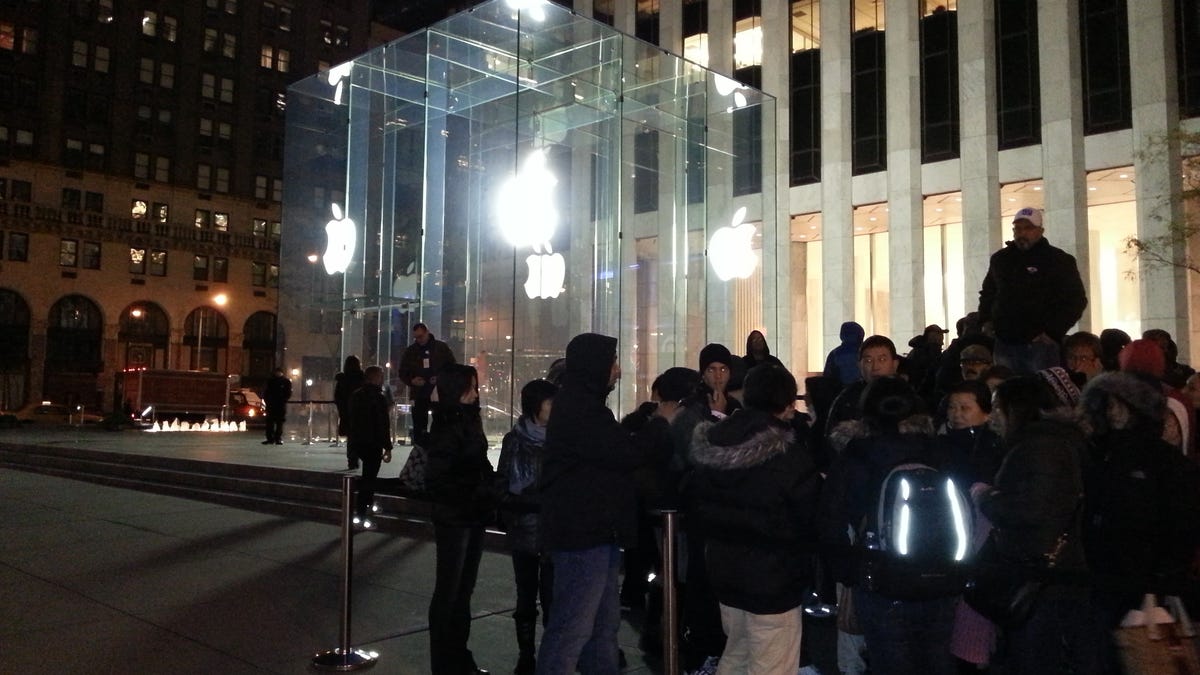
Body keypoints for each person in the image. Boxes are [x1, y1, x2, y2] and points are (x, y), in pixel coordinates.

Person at [686, 364, 821, 675]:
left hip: (724, 571)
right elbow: (807, 517)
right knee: (772, 662)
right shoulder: (787, 454)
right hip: (774, 578)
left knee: (737, 653)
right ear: (786, 402)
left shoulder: (713, 441)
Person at [820, 376, 954, 675]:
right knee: (936, 657)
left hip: (880, 575)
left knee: (890, 659)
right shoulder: (936, 449)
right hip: (941, 573)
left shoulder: (858, 454)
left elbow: (832, 517)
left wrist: (847, 574)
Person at [971, 376, 1102, 675]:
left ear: (1015, 409)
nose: (993, 418)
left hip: (1040, 572)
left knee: (1035, 654)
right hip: (1055, 568)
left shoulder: (1038, 446)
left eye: (997, 408)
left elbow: (1030, 509)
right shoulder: (1054, 440)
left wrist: (986, 498)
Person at [1079, 371, 1200, 673]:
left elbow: (1181, 523)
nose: (1108, 414)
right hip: (1110, 583)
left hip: (1141, 586)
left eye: (1113, 406)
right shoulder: (1103, 454)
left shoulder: (1153, 460)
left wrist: (1160, 576)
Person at [536, 333, 643, 675]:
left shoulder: (581, 404)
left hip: (594, 532)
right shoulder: (582, 409)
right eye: (612, 362)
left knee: (599, 626)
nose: (618, 370)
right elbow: (622, 453)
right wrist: (658, 426)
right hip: (584, 534)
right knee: (575, 627)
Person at [425, 363, 494, 675]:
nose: (475, 393)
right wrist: (476, 486)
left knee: (464, 590)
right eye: (471, 387)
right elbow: (439, 478)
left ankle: (459, 656)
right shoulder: (446, 425)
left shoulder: (469, 420)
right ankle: (444, 661)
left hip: (472, 513)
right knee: (450, 590)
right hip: (455, 517)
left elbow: (478, 463)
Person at [495, 378, 557, 675]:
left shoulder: (561, 439)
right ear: (536, 406)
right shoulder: (514, 439)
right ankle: (526, 653)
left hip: (553, 530)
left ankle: (550, 653)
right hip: (523, 527)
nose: (554, 408)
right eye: (549, 403)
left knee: (552, 596)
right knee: (525, 595)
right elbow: (503, 481)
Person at [977, 207, 1087, 374]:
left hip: (1040, 344)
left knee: (1040, 391)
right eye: (1018, 229)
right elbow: (988, 293)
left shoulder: (1058, 260)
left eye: (1028, 228)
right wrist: (986, 321)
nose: (1022, 233)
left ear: (1040, 231)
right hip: (1005, 341)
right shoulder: (1001, 260)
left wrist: (1052, 332)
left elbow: (1075, 300)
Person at [347, 365, 393, 528]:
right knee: (370, 477)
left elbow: (351, 420)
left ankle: (364, 507)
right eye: (380, 376)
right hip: (373, 441)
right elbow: (382, 424)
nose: (382, 379)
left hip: (359, 441)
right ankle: (362, 510)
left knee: (368, 476)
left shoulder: (356, 395)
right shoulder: (378, 397)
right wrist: (387, 446)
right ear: (374, 378)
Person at [398, 322, 456, 445]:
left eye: (421, 336)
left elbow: (452, 367)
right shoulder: (411, 351)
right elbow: (403, 371)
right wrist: (412, 380)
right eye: (416, 337)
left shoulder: (441, 348)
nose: (419, 340)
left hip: (438, 392)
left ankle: (439, 446)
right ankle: (420, 448)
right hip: (419, 393)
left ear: (427, 333)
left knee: (440, 422)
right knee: (419, 424)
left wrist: (440, 378)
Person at [334, 355, 366, 469]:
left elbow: (337, 397)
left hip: (347, 412)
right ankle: (361, 457)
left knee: (351, 438)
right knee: (361, 436)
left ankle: (352, 460)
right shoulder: (362, 378)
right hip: (361, 412)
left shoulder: (342, 380)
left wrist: (342, 410)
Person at [824, 321, 866, 387]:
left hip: (839, 393)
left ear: (842, 336)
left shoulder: (834, 354)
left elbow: (828, 379)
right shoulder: (866, 352)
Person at [261, 368, 292, 445]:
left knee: (279, 423)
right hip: (272, 405)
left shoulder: (285, 382)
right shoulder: (271, 381)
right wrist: (268, 401)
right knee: (270, 423)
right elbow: (266, 392)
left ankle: (277, 438)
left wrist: (283, 399)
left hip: (279, 405)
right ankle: (270, 438)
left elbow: (288, 393)